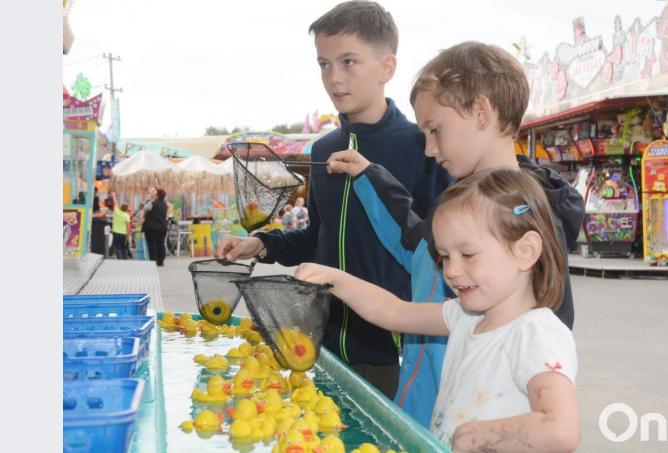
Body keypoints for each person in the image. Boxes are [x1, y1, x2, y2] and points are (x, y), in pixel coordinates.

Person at [325, 41, 585, 426]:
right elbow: (418, 245)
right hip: (432, 415)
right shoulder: (467, 201)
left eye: (435, 130)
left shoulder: (525, 215)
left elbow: (546, 352)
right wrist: (368, 176)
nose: (429, 149)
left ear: (481, 113)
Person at [215, 1, 452, 399]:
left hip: (394, 354)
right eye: (324, 64)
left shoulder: (423, 148)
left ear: (387, 67)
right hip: (321, 343)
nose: (334, 78)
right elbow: (318, 238)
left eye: (348, 62)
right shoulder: (324, 148)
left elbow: (438, 250)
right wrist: (262, 243)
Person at [296, 168, 580, 452]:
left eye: (468, 255)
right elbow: (393, 312)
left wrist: (477, 437)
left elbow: (561, 429)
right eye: (445, 257)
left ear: (525, 251)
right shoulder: (465, 317)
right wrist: (336, 279)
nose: (452, 271)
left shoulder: (536, 333)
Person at [141, 186, 169, 266]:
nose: (154, 195)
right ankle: (161, 261)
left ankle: (154, 260)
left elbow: (144, 210)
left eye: (156, 193)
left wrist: (142, 217)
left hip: (151, 227)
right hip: (162, 227)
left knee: (152, 244)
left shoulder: (152, 203)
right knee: (161, 243)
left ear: (158, 195)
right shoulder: (165, 204)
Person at [110, 192, 131, 259]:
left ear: (120, 207)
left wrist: (113, 195)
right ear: (127, 209)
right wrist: (128, 235)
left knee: (117, 247)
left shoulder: (116, 211)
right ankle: (125, 259)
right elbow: (128, 226)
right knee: (125, 247)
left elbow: (115, 203)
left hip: (116, 233)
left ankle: (120, 259)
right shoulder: (127, 215)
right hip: (124, 234)